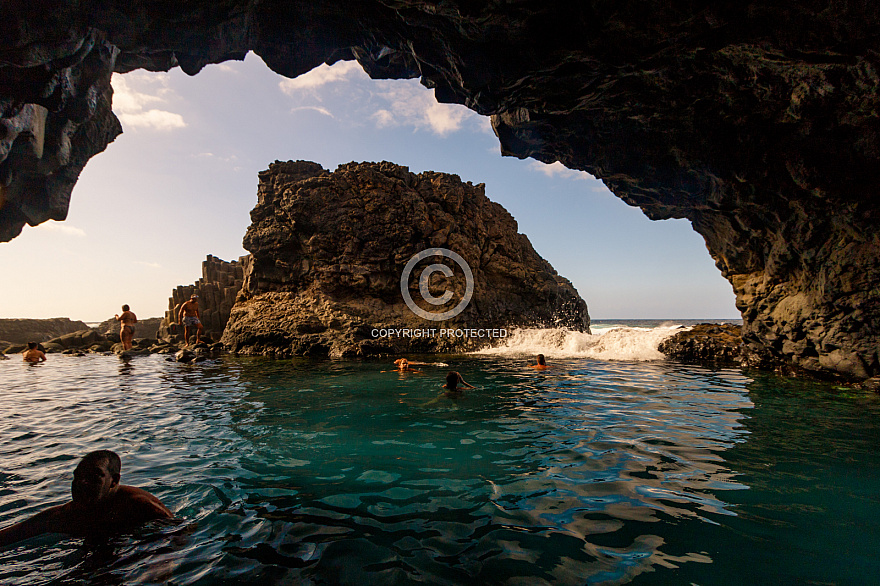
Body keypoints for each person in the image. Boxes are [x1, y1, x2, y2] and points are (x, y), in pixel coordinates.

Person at [0, 450, 173, 547]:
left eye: (93, 477)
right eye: (77, 477)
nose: (81, 483)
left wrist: (158, 569)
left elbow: (179, 536)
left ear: (114, 481)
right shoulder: (68, 514)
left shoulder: (140, 506)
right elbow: (13, 534)